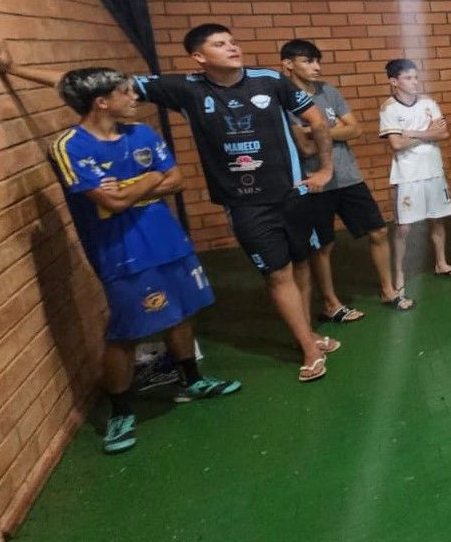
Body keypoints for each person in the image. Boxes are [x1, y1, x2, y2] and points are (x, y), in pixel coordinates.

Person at [40, 24, 339, 382]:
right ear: (199, 57)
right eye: (219, 44)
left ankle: (307, 334)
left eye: (233, 41)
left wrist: (324, 169)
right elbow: (88, 87)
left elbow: (317, 121)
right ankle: (307, 347)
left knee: (300, 265)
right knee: (278, 274)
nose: (232, 47)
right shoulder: (186, 89)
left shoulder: (270, 80)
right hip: (245, 205)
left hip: (292, 194)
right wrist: (12, 69)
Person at [0, 44, 240, 453]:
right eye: (126, 92)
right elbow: (112, 203)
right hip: (123, 253)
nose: (134, 97)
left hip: (168, 240)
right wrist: (144, 181)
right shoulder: (70, 146)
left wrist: (130, 185)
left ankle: (191, 380)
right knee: (128, 331)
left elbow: (175, 178)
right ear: (102, 102)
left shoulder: (141, 133)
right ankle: (121, 411)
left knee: (182, 311)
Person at [280, 39, 412, 320]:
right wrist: (334, 128)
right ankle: (331, 304)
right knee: (323, 245)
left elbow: (355, 130)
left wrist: (315, 130)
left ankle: (389, 290)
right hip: (313, 182)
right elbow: (303, 148)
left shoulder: (328, 91)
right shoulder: (285, 99)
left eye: (317, 61)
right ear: (288, 64)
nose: (315, 67)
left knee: (377, 231)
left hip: (349, 177)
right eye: (307, 61)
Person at [377, 59, 451, 288]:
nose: (414, 81)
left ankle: (441, 263)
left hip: (434, 171)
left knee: (438, 219)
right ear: (394, 81)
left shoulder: (428, 102)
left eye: (416, 77)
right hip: (407, 176)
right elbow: (396, 144)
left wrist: (413, 133)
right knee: (404, 227)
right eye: (408, 78)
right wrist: (428, 133)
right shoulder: (389, 108)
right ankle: (399, 273)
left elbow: (444, 134)